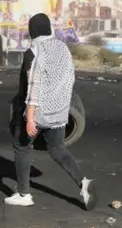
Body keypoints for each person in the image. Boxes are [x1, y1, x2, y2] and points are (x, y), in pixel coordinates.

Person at [6, 13, 97, 210]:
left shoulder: (34, 51)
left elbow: (32, 85)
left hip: (37, 110)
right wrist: (62, 107)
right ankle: (83, 183)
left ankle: (24, 194)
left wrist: (30, 117)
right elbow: (69, 78)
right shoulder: (62, 47)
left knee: (22, 147)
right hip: (60, 111)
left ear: (32, 30)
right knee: (57, 148)